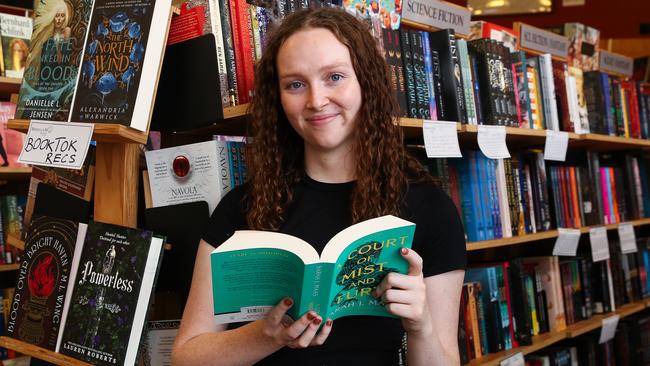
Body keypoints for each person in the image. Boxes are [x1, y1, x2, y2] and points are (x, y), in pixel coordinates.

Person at [172, 7, 466, 366]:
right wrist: (266, 336)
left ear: (365, 83)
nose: (316, 100)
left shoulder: (429, 208)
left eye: (335, 77)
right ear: (278, 99)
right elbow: (186, 356)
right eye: (295, 84)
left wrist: (420, 325)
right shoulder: (241, 207)